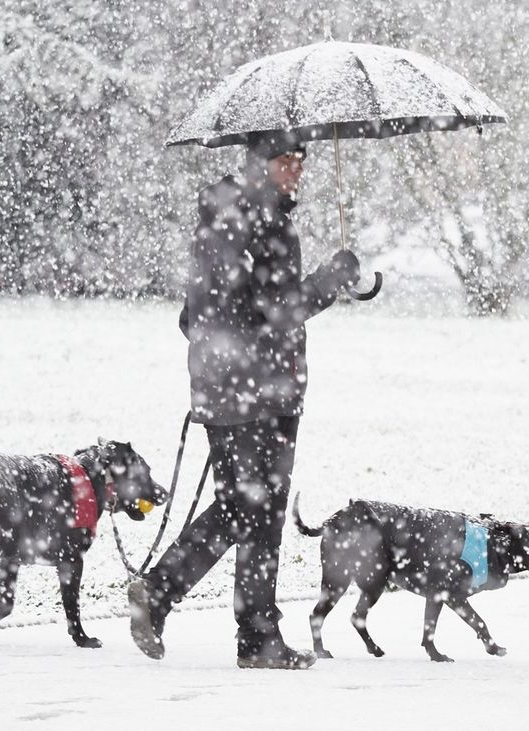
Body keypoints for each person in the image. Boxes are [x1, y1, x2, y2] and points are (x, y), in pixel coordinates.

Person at [129, 132, 361, 669]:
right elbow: (279, 310)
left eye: (301, 160)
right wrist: (332, 278)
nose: (296, 170)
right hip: (260, 392)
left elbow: (191, 316)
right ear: (258, 162)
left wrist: (217, 360)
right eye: (285, 160)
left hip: (237, 387)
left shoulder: (220, 216)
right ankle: (239, 630)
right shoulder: (262, 222)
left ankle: (211, 616)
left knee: (248, 510)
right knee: (256, 512)